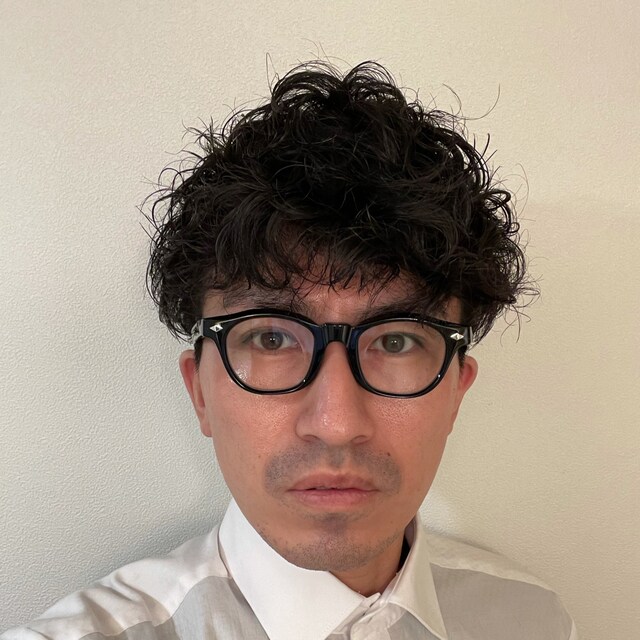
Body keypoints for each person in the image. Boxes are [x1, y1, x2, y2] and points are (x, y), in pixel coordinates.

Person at [1, 61, 577, 640]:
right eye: (271, 338)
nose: (335, 426)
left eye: (396, 340)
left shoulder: (534, 619)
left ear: (456, 392)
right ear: (199, 391)